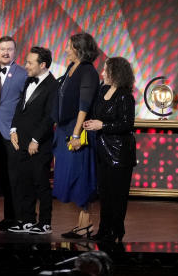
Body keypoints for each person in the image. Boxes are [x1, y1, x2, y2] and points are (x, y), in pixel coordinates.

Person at [84, 56, 137, 244]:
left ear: (116, 72)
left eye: (106, 70)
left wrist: (102, 125)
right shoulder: (102, 90)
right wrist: (91, 122)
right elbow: (97, 115)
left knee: (117, 195)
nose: (103, 73)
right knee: (104, 194)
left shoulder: (125, 96)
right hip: (102, 150)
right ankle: (104, 229)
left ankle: (116, 229)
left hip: (120, 153)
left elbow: (126, 124)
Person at [54, 33, 101, 239]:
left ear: (79, 49)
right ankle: (82, 223)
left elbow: (84, 104)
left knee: (80, 176)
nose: (65, 50)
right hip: (65, 127)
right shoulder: (70, 68)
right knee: (69, 176)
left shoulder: (88, 71)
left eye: (69, 46)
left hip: (77, 129)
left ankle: (86, 223)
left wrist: (76, 133)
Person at [7, 46, 59, 234]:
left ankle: (45, 222)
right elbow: (19, 108)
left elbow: (49, 116)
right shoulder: (29, 81)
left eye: (30, 62)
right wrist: (13, 129)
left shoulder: (53, 86)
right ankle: (27, 219)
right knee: (24, 181)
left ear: (43, 65)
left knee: (41, 182)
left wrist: (36, 139)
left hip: (39, 143)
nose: (26, 66)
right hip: (21, 140)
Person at [0, 35, 26, 227]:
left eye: (9, 49)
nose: (5, 52)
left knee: (16, 176)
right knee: (1, 176)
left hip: (14, 133)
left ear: (15, 52)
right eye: (2, 48)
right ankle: (7, 217)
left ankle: (18, 216)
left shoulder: (23, 73)